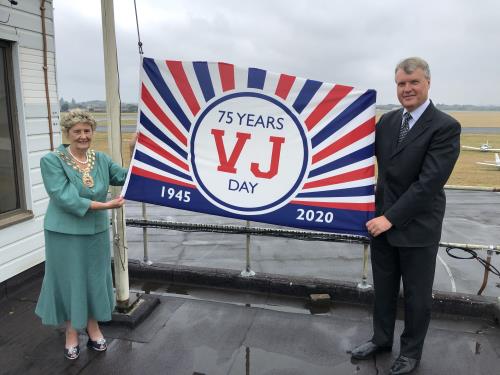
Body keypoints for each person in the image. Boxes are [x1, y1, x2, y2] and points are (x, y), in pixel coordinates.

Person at [350, 57, 460, 374]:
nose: (407, 89)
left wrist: (390, 218)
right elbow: (353, 152)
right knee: (383, 289)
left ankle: (410, 352)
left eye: (414, 82)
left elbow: (428, 184)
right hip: (380, 222)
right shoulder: (386, 122)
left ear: (427, 83)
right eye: (401, 83)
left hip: (416, 225)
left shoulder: (445, 126)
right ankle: (381, 340)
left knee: (416, 296)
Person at [35, 109, 136, 360]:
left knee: (93, 279)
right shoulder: (52, 160)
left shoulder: (100, 159)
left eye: (87, 130)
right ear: (67, 133)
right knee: (70, 280)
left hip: (96, 232)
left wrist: (135, 152)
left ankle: (93, 326)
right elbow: (64, 197)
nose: (83, 136)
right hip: (64, 233)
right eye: (77, 131)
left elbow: (125, 178)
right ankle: (71, 330)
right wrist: (106, 206)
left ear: (92, 132)